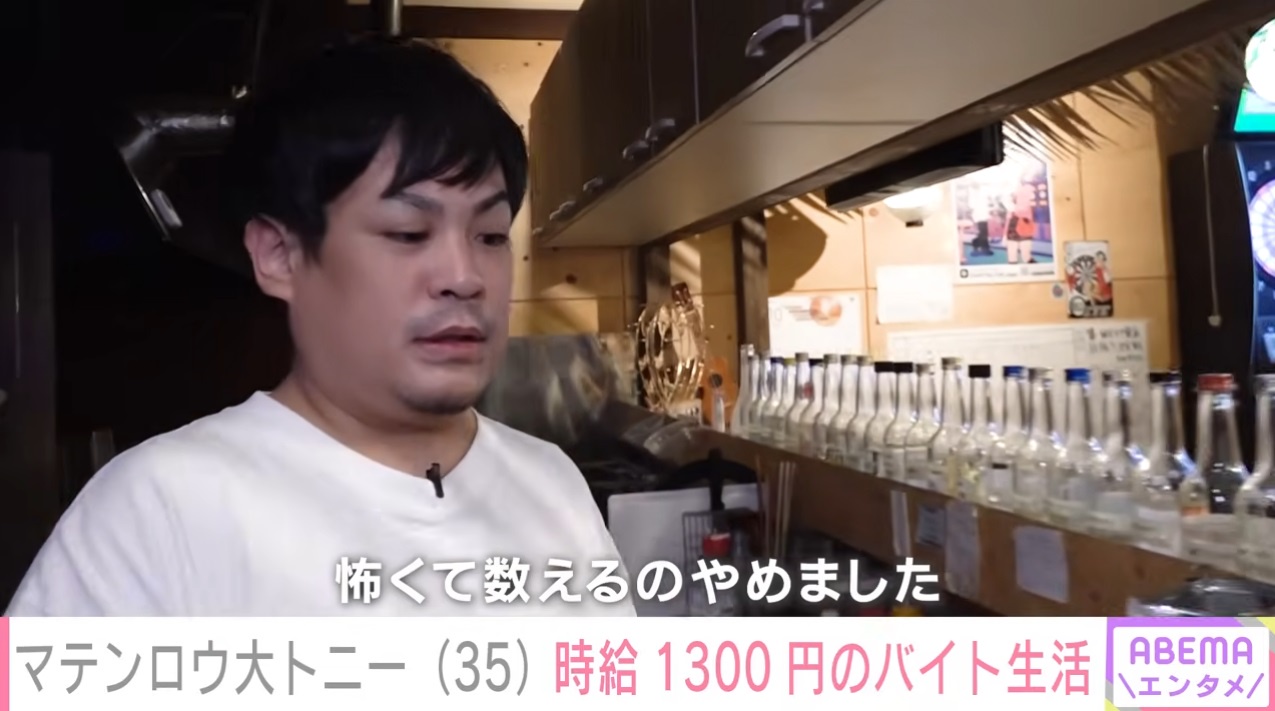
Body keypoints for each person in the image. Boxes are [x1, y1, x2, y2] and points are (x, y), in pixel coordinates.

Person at [6, 37, 635, 617]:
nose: (465, 277)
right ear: (279, 255)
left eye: (491, 235)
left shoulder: (551, 484)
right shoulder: (156, 510)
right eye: (408, 232)